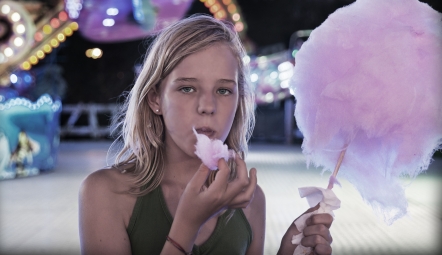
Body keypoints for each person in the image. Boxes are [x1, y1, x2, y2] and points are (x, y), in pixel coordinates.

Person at [79, 15, 333, 255]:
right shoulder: (105, 193)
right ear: (155, 98)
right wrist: (188, 225)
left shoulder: (251, 201)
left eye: (223, 90)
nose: (208, 106)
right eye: (187, 88)